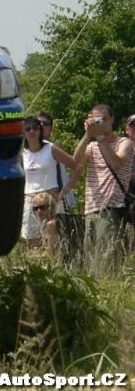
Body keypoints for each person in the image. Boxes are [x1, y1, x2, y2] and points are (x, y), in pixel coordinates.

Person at [72, 104, 134, 271]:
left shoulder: (125, 143)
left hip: (112, 208)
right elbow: (76, 161)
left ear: (112, 120)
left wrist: (99, 137)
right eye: (96, 120)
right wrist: (87, 135)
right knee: (91, 263)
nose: (100, 123)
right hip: (91, 209)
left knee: (107, 264)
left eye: (103, 119)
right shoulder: (92, 146)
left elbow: (116, 163)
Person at [21, 116, 78, 249]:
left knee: (54, 242)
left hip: (51, 199)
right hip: (31, 202)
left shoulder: (50, 148)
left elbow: (77, 166)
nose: (32, 132)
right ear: (23, 133)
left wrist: (65, 190)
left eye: (35, 128)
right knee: (33, 243)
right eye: (28, 129)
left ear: (40, 131)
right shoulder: (23, 153)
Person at [37, 110, 82, 263]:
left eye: (45, 124)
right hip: (37, 205)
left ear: (51, 128)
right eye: (38, 124)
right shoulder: (28, 150)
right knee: (39, 243)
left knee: (59, 244)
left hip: (58, 203)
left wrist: (64, 191)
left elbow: (77, 166)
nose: (41, 127)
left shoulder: (53, 148)